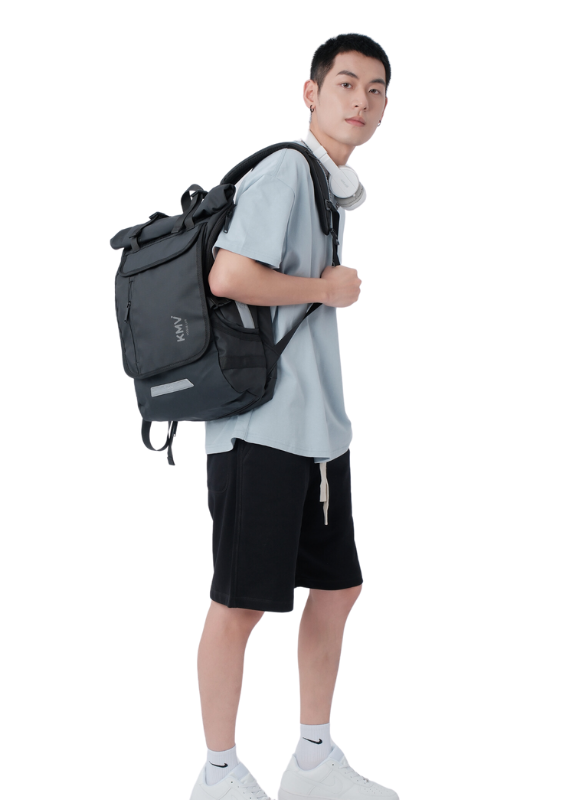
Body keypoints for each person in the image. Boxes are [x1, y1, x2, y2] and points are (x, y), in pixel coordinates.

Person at [190, 33, 397, 800]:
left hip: (316, 432)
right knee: (239, 604)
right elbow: (228, 275)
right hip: (260, 429)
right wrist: (324, 289)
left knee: (337, 587)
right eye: (346, 83)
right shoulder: (286, 170)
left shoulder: (325, 185)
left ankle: (312, 761)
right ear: (311, 94)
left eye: (376, 90)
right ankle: (218, 774)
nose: (361, 101)